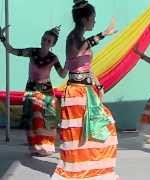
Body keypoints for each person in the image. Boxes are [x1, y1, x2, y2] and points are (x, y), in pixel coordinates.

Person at [51, 0, 119, 179]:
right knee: (79, 134)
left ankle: (90, 169)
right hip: (76, 92)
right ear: (84, 19)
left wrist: (98, 83)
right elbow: (81, 50)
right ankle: (76, 169)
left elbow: (86, 66)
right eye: (93, 18)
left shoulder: (79, 38)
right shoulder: (73, 37)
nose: (94, 22)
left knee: (98, 128)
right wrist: (104, 34)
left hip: (87, 91)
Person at [0, 25, 67, 156]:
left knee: (46, 120)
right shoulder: (32, 52)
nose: (45, 42)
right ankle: (35, 147)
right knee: (32, 119)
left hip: (46, 92)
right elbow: (11, 50)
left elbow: (63, 74)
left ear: (52, 44)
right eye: (44, 39)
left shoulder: (53, 58)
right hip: (31, 89)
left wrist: (70, 62)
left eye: (49, 41)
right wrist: (2, 37)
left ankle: (46, 147)